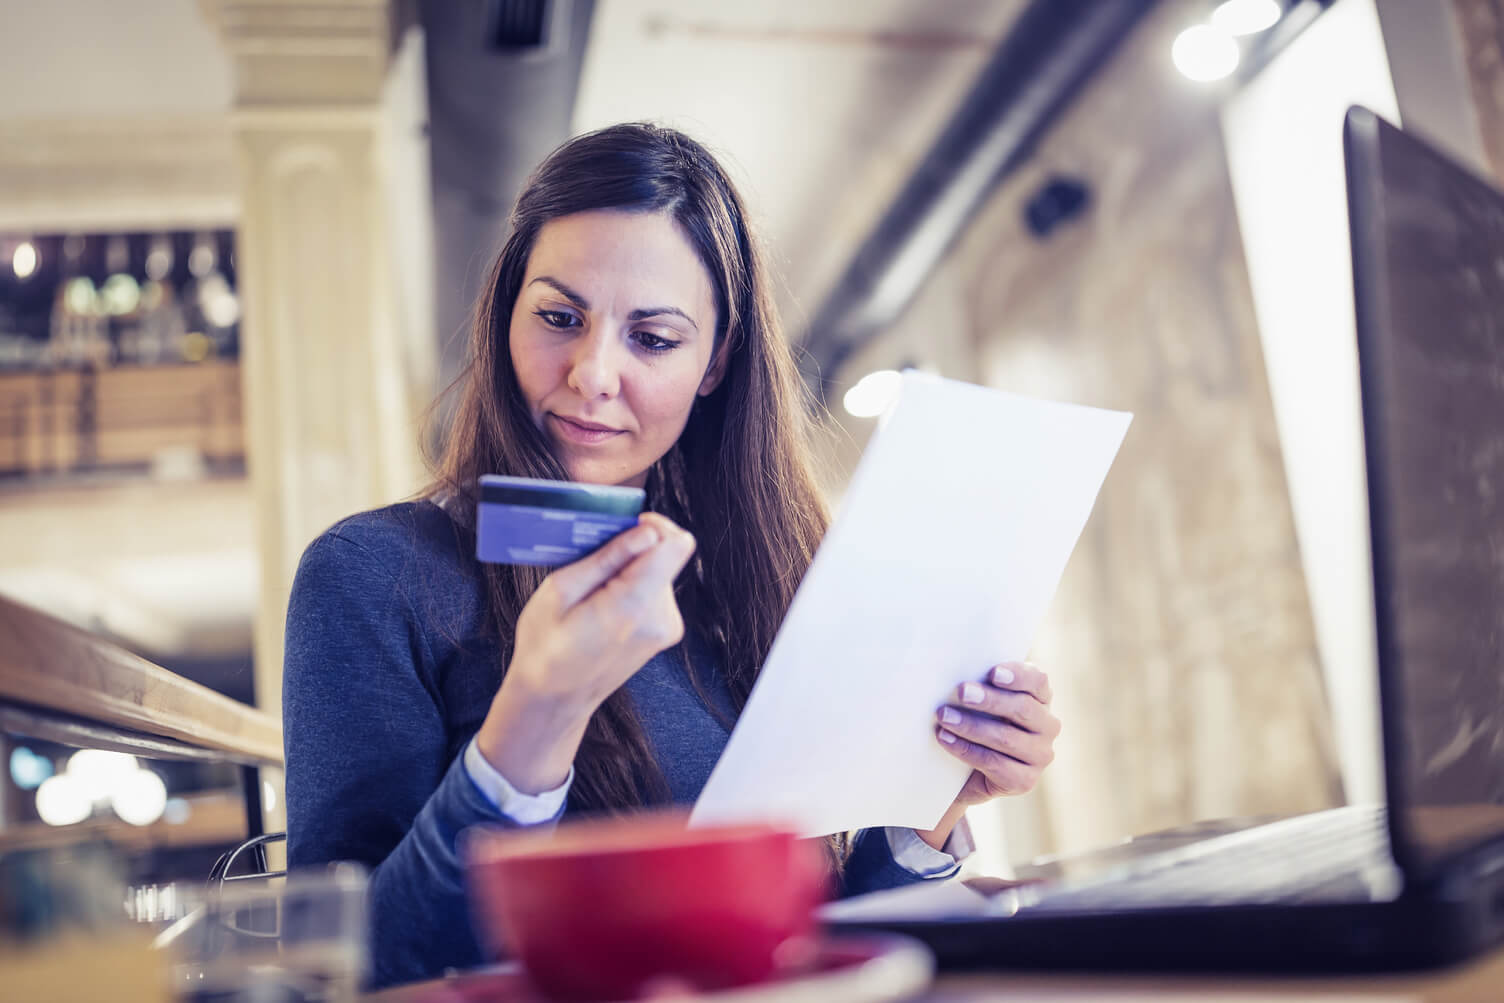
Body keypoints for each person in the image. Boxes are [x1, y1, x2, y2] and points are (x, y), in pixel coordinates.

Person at [283, 123, 1062, 989]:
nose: (591, 373)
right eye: (557, 316)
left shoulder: (768, 575)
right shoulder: (371, 572)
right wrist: (536, 715)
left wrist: (932, 807)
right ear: (505, 314)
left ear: (715, 362)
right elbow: (345, 972)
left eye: (652, 338)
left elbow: (804, 942)